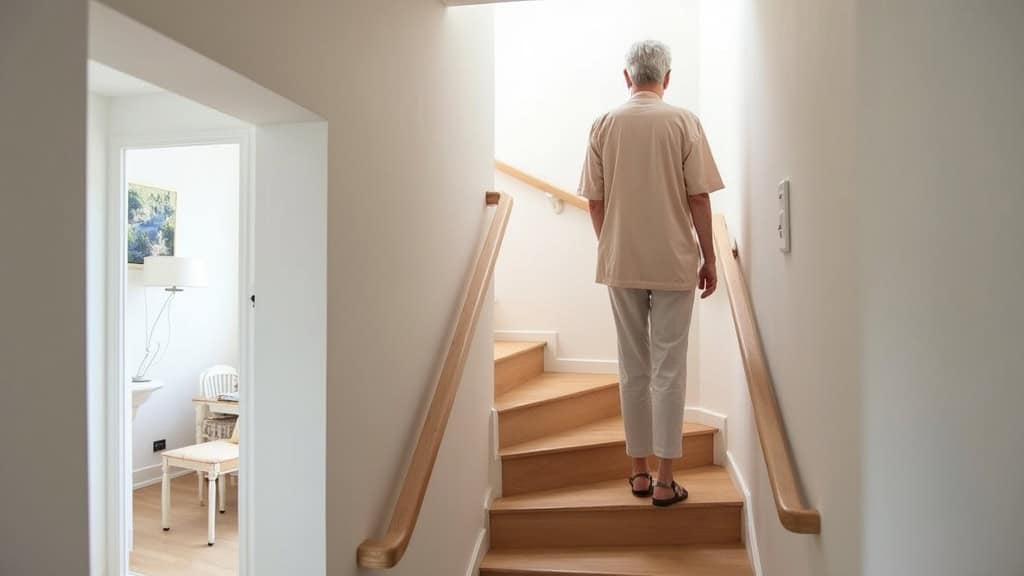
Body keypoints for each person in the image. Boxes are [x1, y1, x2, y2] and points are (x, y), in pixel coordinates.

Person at [578, 40, 723, 507]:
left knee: (632, 365)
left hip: (622, 261)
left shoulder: (604, 124)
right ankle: (665, 479)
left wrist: (612, 246)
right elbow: (699, 198)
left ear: (627, 77)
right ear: (667, 78)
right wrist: (710, 257)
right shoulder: (684, 122)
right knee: (669, 367)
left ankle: (637, 472)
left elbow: (594, 201)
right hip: (674, 261)